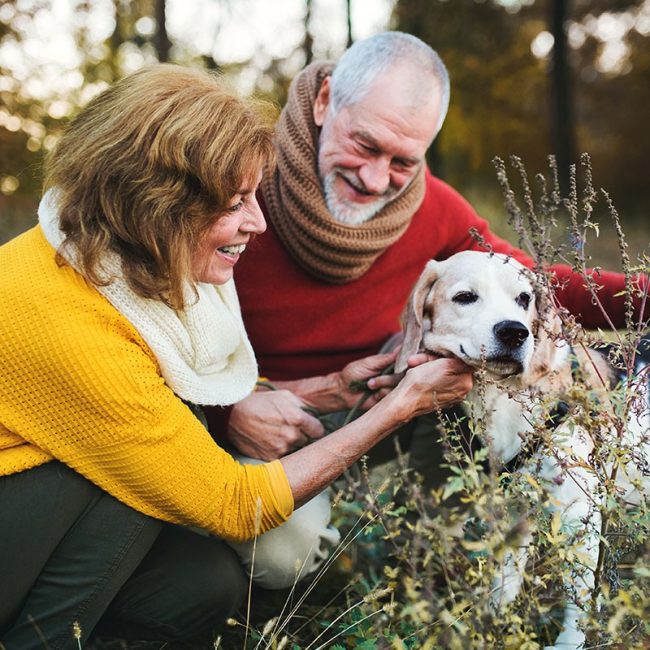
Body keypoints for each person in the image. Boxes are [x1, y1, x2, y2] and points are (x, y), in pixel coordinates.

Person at [0, 64, 474, 649]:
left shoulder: (127, 256)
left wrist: (328, 388)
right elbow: (233, 503)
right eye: (235, 203)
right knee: (132, 486)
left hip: (44, 508)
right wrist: (398, 407)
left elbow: (177, 384)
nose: (258, 221)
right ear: (156, 204)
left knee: (204, 584)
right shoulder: (65, 322)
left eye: (255, 196)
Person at [217, 30, 649, 462]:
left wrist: (644, 294)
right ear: (325, 100)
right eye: (364, 145)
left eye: (403, 161)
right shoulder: (236, 192)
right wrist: (225, 412)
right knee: (281, 526)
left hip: (389, 414)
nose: (374, 180)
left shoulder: (435, 208)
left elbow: (530, 281)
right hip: (262, 417)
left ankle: (443, 524)